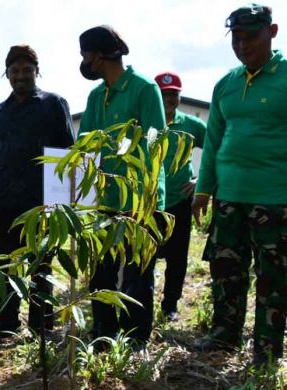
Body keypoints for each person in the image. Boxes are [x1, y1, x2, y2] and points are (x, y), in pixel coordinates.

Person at [192, 4, 287, 367]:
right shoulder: (226, 84)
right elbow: (214, 140)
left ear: (272, 32)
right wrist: (204, 189)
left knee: (273, 279)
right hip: (229, 197)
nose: (243, 45)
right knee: (225, 270)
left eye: (252, 37)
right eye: (237, 38)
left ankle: (266, 350)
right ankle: (224, 333)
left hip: (275, 200)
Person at [77, 26, 166, 348]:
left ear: (99, 56)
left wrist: (129, 152)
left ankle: (136, 337)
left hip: (139, 199)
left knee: (137, 273)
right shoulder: (96, 95)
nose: (84, 61)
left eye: (86, 54)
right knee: (101, 271)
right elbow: (84, 145)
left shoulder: (143, 89)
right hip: (103, 199)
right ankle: (103, 333)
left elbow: (157, 140)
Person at [0, 45, 75, 339]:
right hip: (6, 201)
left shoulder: (54, 104)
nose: (21, 76)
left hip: (42, 202)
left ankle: (42, 325)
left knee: (41, 264)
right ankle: (7, 325)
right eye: (14, 70)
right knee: (6, 264)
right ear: (6, 74)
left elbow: (68, 152)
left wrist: (64, 200)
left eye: (26, 70)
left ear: (37, 71)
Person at [153, 72, 207, 321]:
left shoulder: (191, 124)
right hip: (150, 202)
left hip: (180, 201)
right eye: (164, 94)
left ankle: (170, 304)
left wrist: (200, 180)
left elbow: (216, 147)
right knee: (146, 256)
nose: (169, 98)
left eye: (173, 93)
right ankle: (142, 302)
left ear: (179, 95)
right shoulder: (147, 123)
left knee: (177, 258)